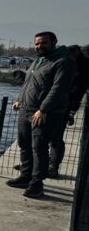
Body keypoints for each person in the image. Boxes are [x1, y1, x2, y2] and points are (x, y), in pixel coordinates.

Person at [7, 31, 76, 198]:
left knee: (39, 148)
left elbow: (58, 89)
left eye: (43, 43)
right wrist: (19, 99)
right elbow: (29, 84)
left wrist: (43, 109)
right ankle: (25, 176)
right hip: (26, 109)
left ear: (54, 42)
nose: (39, 46)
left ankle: (36, 184)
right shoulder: (38, 61)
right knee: (24, 145)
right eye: (37, 43)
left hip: (45, 113)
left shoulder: (63, 62)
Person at [48, 45, 89, 177]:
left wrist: (72, 111)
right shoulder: (66, 62)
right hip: (55, 103)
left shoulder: (83, 66)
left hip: (66, 104)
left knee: (56, 138)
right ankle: (37, 165)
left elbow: (79, 89)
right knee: (43, 137)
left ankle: (53, 167)